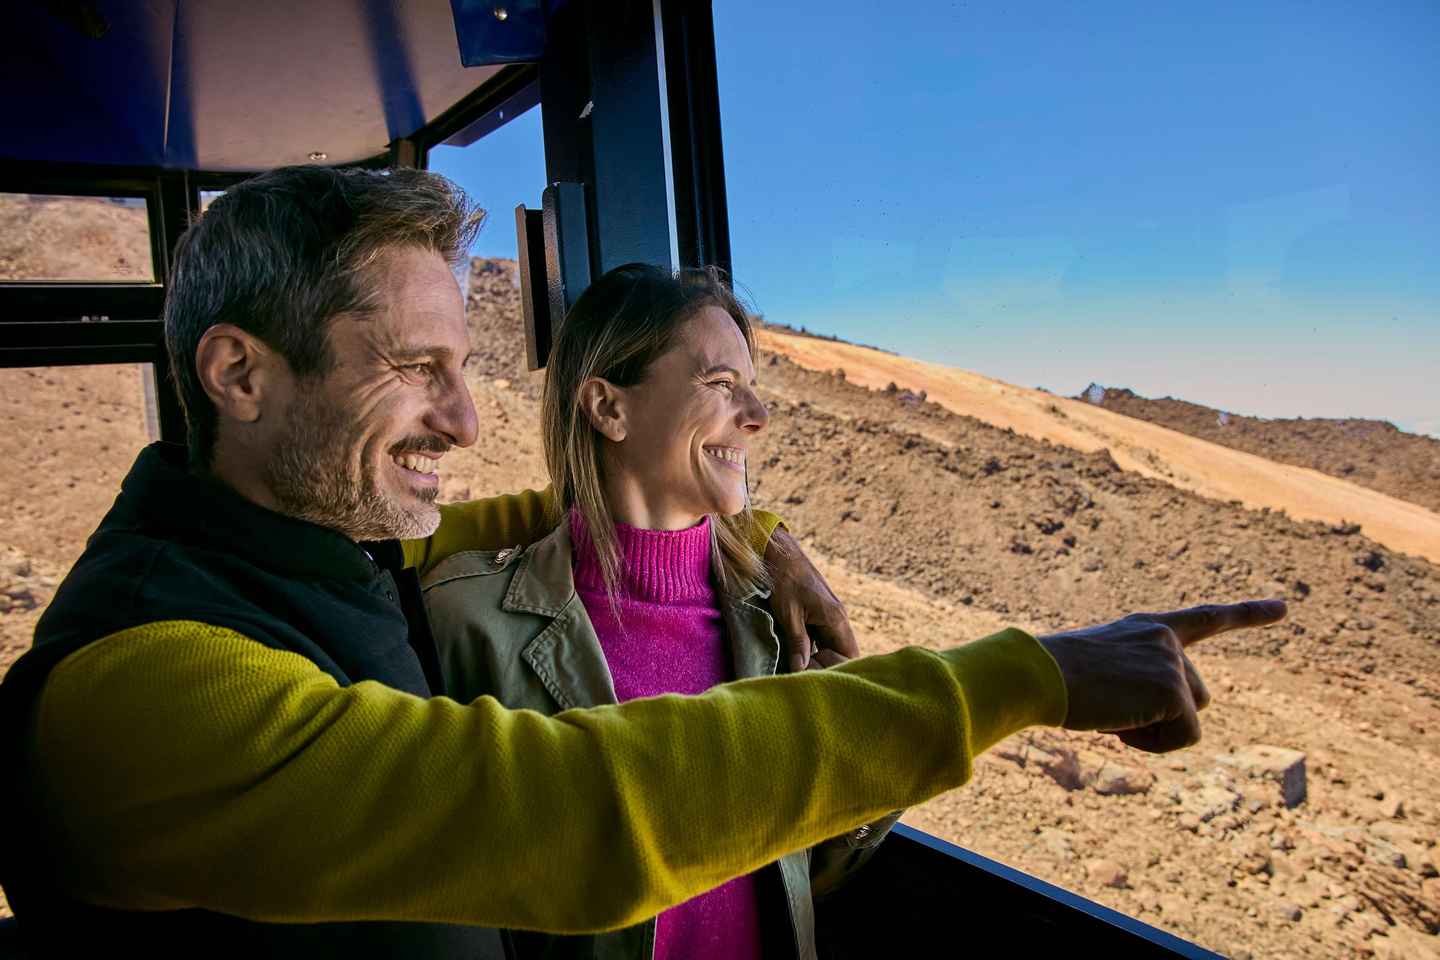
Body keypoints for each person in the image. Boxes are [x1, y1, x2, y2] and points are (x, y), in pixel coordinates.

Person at [0, 165, 1285, 958]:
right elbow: (580, 810)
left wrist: (760, 535)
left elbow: (553, 524)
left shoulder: (318, 553)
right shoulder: (149, 685)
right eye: (415, 370)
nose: (463, 420)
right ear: (239, 374)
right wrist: (1027, 679)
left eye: (468, 369)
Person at [422, 263, 903, 960]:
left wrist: (863, 775)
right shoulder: (469, 624)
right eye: (718, 385)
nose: (757, 418)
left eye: (754, 390)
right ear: (608, 408)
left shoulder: (779, 622)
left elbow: (794, 875)